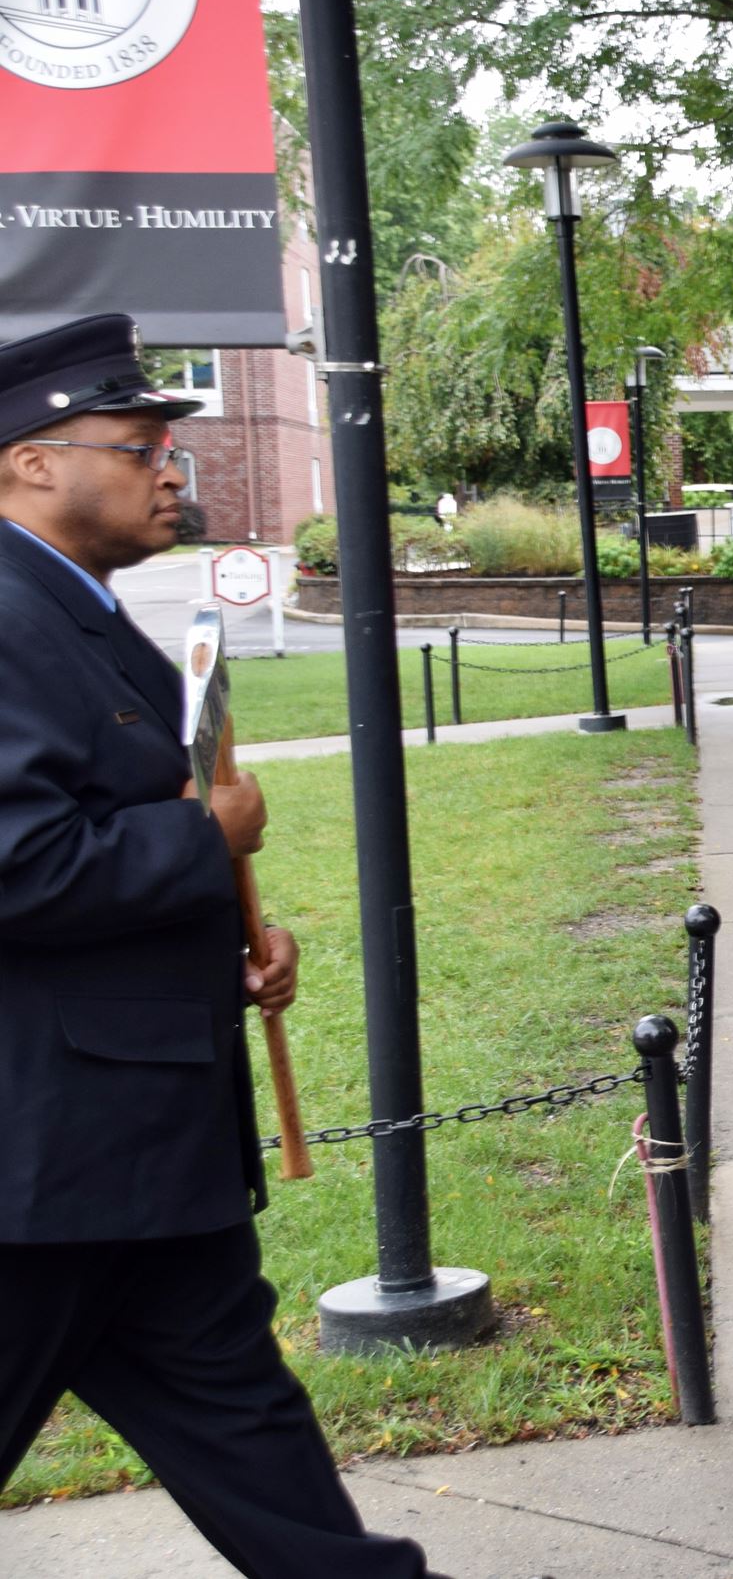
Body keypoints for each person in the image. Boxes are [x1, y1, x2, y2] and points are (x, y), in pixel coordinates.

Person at [0, 314, 441, 1579]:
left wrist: (229, 941)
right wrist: (203, 839)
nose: (169, 468)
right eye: (138, 445)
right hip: (45, 1167)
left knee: (243, 1421)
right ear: (33, 458)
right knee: (236, 1416)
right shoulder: (9, 615)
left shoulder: (72, 609)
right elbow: (20, 864)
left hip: (130, 1157)